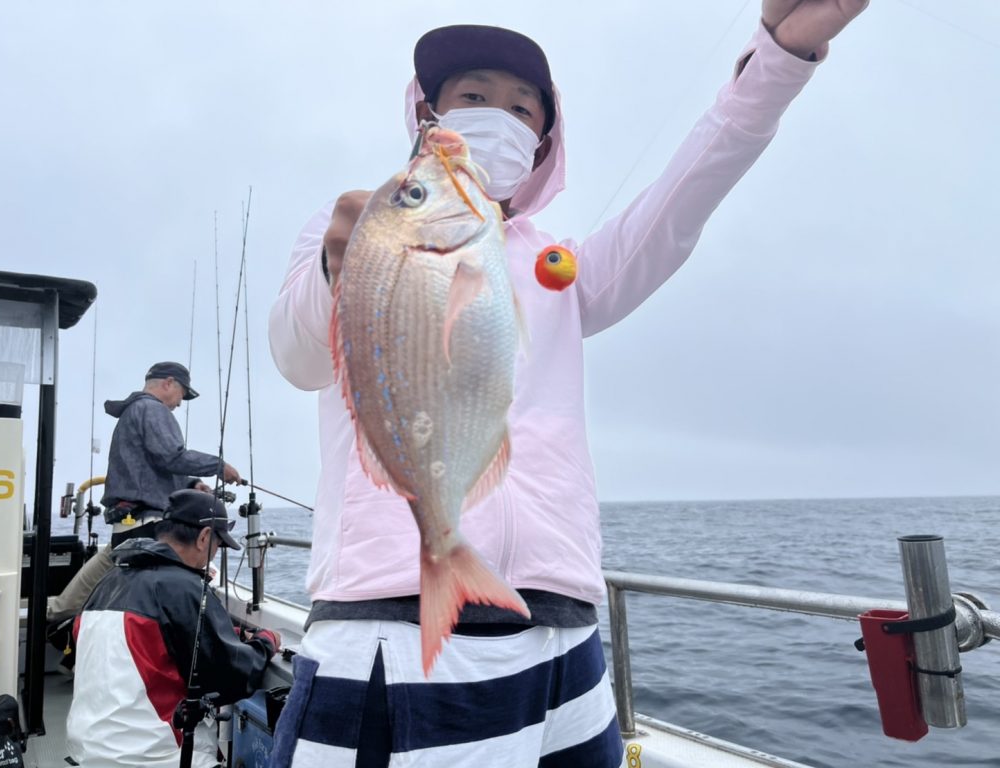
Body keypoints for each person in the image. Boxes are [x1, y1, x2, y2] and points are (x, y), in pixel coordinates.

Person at [267, 3, 869, 766]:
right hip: (401, 631)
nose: (499, 117)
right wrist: (343, 271)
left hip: (569, 635)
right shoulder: (360, 226)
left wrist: (778, 58)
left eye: (524, 109)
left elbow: (681, 203)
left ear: (544, 145)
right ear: (428, 116)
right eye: (474, 95)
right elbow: (298, 358)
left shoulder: (559, 268)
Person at [66, 489, 281, 768]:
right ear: (204, 537)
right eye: (218, 544)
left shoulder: (108, 582)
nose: (214, 553)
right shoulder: (183, 588)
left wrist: (229, 634)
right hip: (152, 758)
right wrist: (265, 641)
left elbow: (149, 642)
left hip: (87, 752)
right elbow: (232, 676)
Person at [47, 361, 242, 622]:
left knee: (79, 596)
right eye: (182, 394)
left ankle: (54, 621)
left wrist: (191, 484)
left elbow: (148, 468)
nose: (180, 403)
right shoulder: (152, 409)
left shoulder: (133, 411)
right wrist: (218, 466)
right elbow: (172, 457)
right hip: (146, 528)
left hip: (126, 527)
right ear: (168, 383)